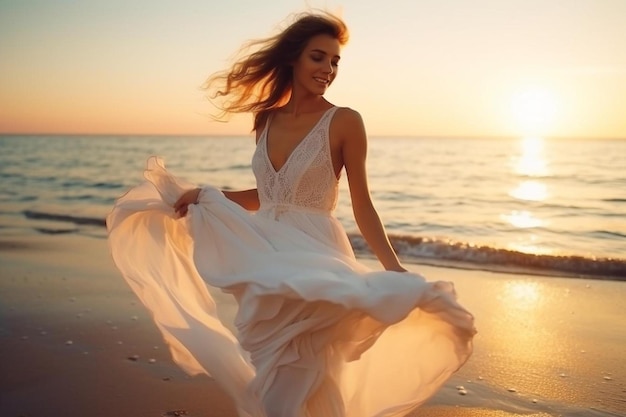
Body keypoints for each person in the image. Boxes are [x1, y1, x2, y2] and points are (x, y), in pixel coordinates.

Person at [107, 11, 475, 417]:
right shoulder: (266, 120)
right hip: (265, 251)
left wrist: (393, 267)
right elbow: (267, 196)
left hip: (316, 250)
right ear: (293, 59)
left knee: (304, 365)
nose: (329, 70)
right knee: (282, 364)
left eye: (335, 61)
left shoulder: (345, 121)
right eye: (319, 58)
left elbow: (361, 203)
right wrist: (206, 196)